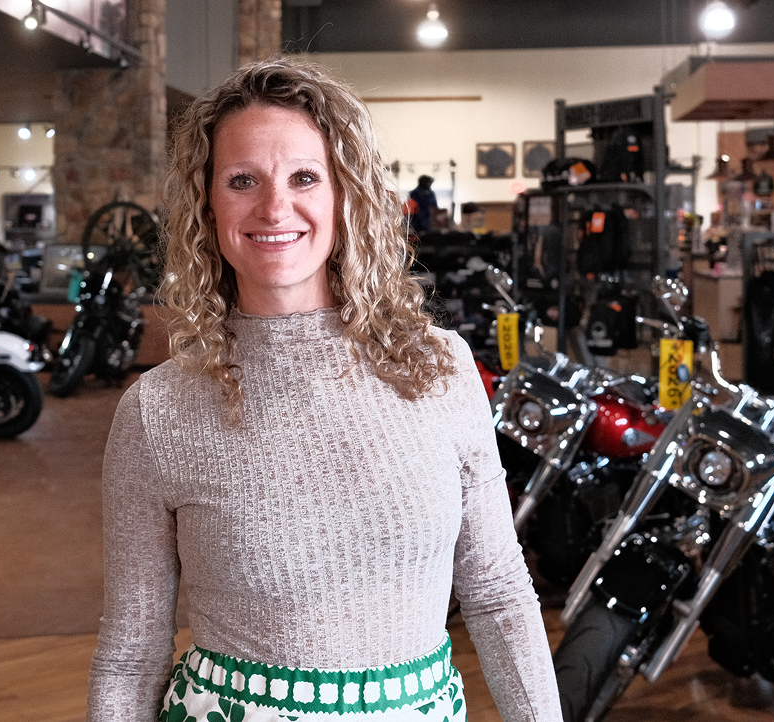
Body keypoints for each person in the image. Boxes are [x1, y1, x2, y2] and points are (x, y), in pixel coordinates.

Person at [87, 57, 562, 722]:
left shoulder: (442, 370)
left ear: (347, 197)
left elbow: (498, 593)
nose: (275, 207)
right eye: (242, 180)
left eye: (305, 177)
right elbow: (133, 650)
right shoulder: (159, 410)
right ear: (207, 203)